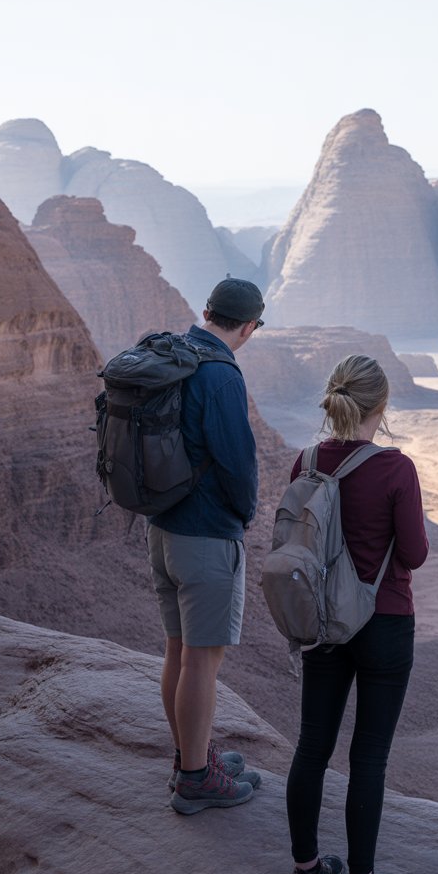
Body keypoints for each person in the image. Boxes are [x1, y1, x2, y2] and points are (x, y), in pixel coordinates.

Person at [284, 354, 429, 874]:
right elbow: (413, 554)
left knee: (312, 745)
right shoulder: (397, 469)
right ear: (381, 406)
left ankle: (305, 873)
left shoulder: (306, 460)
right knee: (369, 754)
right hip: (385, 623)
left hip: (322, 624)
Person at [148, 276, 265, 814]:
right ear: (249, 327)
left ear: (205, 310)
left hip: (164, 528)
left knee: (178, 650)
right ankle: (196, 777)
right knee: (203, 660)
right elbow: (237, 461)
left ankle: (188, 754)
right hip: (205, 535)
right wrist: (242, 515)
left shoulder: (175, 352)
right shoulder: (220, 375)